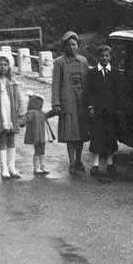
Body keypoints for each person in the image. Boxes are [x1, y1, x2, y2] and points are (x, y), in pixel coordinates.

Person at [51, 31, 91, 174]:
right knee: (70, 133)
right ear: (64, 47)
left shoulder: (83, 61)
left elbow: (88, 83)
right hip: (68, 102)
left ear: (77, 45)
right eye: (68, 45)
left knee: (80, 133)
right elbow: (55, 84)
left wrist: (90, 102)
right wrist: (56, 103)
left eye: (74, 44)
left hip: (81, 101)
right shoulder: (59, 62)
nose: (71, 47)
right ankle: (71, 162)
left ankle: (79, 160)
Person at [0, 54, 26, 179]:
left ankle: (12, 166)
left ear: (9, 67)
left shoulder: (13, 82)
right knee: (2, 138)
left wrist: (21, 113)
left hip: (11, 110)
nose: (3, 67)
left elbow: (19, 98)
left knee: (11, 138)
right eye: (0, 65)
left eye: (5, 65)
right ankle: (4, 168)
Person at [86, 44, 123, 177]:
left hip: (111, 111)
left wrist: (118, 108)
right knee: (96, 136)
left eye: (106, 56)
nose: (104, 58)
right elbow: (89, 92)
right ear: (98, 57)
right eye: (101, 56)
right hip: (97, 110)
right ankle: (95, 164)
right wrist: (90, 107)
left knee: (110, 136)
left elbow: (119, 92)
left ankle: (110, 163)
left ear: (110, 57)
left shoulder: (115, 73)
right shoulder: (92, 73)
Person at [24, 94, 57, 175]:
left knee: (41, 150)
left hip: (42, 134)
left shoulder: (36, 112)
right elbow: (26, 119)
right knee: (39, 150)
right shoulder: (33, 113)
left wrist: (54, 112)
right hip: (38, 134)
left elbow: (26, 118)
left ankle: (41, 166)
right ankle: (37, 167)